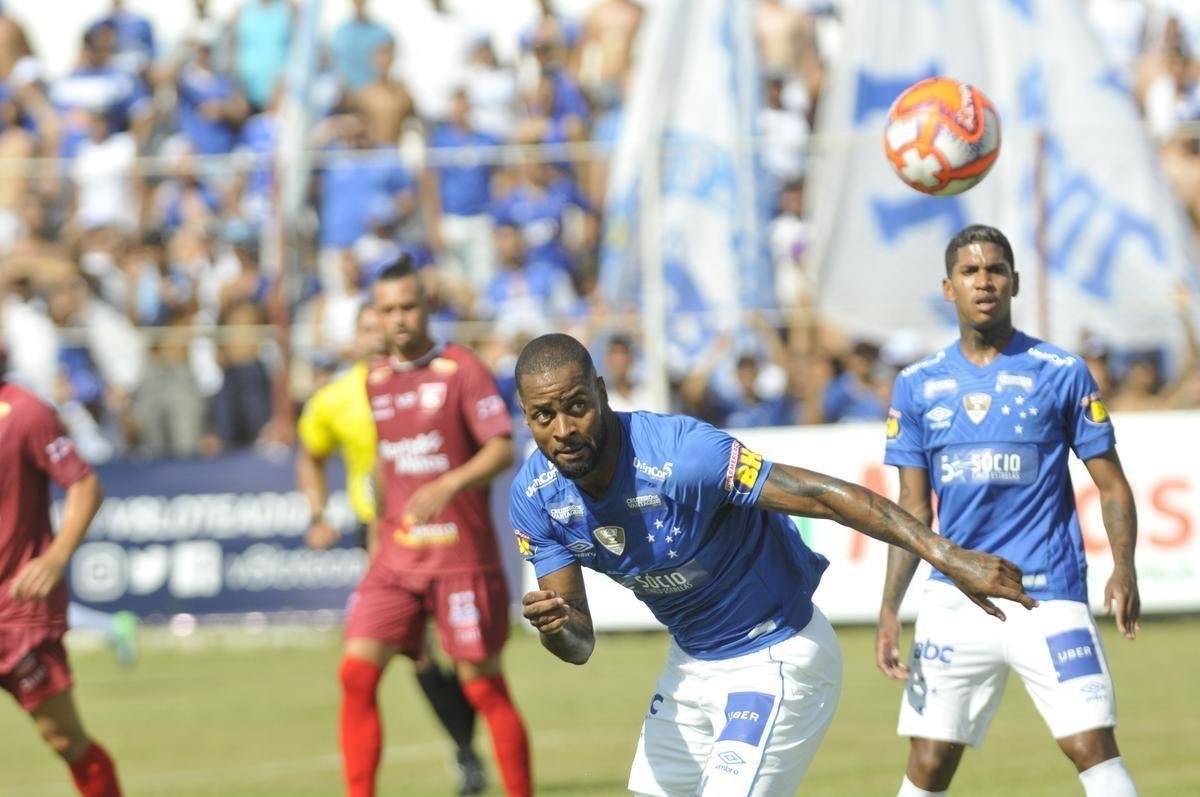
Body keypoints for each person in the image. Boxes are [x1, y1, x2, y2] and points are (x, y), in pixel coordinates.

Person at [510, 332, 1035, 796]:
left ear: (601, 394)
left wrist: (946, 554)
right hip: (690, 666)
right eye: (542, 416)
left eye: (576, 407)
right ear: (526, 415)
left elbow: (824, 497)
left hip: (776, 654)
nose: (563, 430)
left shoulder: (684, 456)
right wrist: (554, 629)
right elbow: (578, 644)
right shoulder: (535, 500)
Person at [876, 224, 1140, 797]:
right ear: (949, 288)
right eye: (970, 271)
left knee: (1092, 749)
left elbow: (1112, 486)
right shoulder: (917, 385)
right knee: (927, 764)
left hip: (1048, 595)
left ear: (1014, 281)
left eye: (995, 269)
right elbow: (912, 509)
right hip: (954, 600)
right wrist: (891, 607)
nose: (984, 281)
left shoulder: (1061, 372)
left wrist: (1124, 566)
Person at [338, 257, 531, 797]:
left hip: (461, 560)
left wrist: (449, 485)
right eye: (387, 309)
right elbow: (387, 459)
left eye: (408, 306)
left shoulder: (461, 369)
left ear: (426, 307)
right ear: (374, 315)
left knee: (483, 686)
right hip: (397, 559)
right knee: (355, 675)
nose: (398, 318)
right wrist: (379, 522)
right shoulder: (375, 380)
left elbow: (500, 448)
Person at [296, 304, 486, 794]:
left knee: (458, 656)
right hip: (380, 537)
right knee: (415, 654)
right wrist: (317, 513)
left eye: (380, 322)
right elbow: (310, 455)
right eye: (365, 327)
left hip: (443, 531)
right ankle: (466, 752)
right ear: (356, 338)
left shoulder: (428, 381)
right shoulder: (337, 398)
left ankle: (471, 742)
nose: (376, 332)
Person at [0, 341, 124, 795]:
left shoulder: (25, 414)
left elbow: (85, 485)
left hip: (18, 613)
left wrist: (55, 557)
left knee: (64, 738)